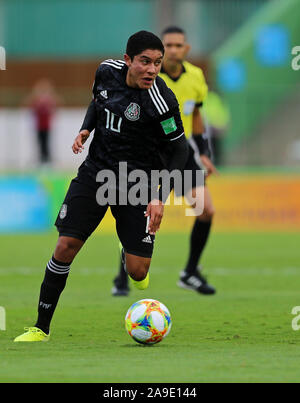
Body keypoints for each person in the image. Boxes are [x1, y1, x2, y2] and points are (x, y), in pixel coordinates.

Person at [14, 31, 189, 342]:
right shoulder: (106, 71)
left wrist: (160, 197)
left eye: (158, 63)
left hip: (139, 183)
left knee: (137, 272)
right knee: (65, 247)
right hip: (96, 174)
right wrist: (86, 127)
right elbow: (99, 102)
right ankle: (40, 327)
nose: (151, 69)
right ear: (128, 61)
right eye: (145, 62)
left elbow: (179, 150)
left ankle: (127, 247)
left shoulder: (161, 102)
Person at [112, 26, 218, 297]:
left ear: (186, 49)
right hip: (150, 155)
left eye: (177, 45)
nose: (173, 50)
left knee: (205, 209)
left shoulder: (196, 77)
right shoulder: (149, 76)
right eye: (168, 45)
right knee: (141, 215)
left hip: (181, 153)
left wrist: (203, 151)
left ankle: (190, 273)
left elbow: (196, 115)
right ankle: (123, 275)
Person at [24, 78, 61, 165]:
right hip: (39, 126)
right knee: (40, 142)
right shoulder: (37, 101)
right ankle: (41, 158)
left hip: (47, 126)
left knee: (46, 142)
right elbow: (28, 104)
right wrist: (35, 94)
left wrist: (51, 94)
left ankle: (47, 159)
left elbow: (57, 103)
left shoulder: (49, 100)